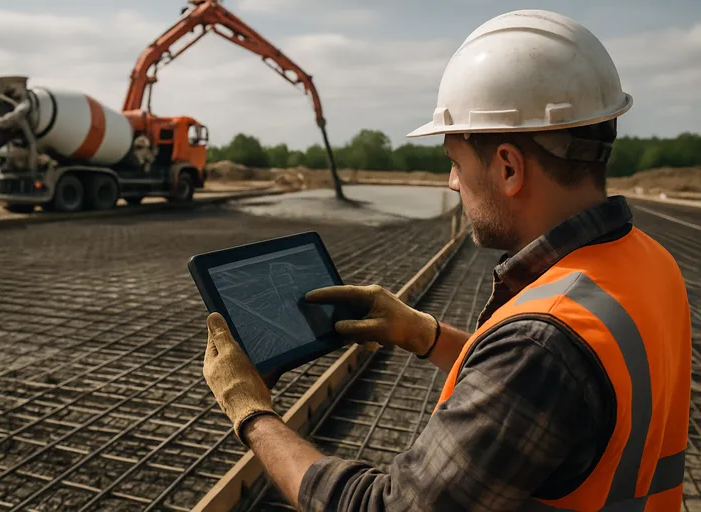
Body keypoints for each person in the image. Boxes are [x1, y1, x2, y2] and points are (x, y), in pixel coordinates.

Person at [202, 9, 692, 511]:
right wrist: (423, 334)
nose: (452, 184)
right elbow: (547, 395)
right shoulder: (647, 263)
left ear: (507, 167)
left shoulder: (540, 345)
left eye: (455, 164)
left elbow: (387, 507)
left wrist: (251, 413)